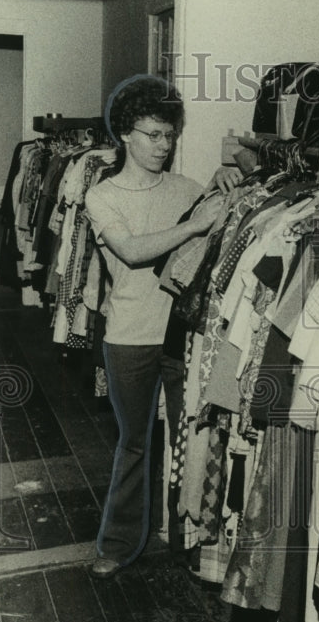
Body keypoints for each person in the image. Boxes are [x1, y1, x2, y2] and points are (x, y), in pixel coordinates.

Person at [84, 76, 237, 579]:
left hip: (183, 336)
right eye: (152, 134)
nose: (163, 146)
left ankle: (187, 542)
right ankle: (120, 542)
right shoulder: (101, 197)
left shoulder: (186, 189)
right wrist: (195, 223)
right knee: (134, 442)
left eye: (169, 136)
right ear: (125, 134)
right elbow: (131, 251)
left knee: (191, 436)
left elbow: (214, 224)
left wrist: (226, 182)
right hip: (128, 336)